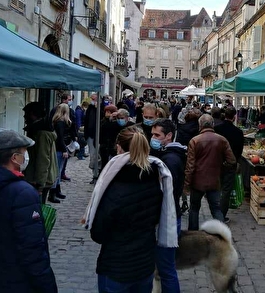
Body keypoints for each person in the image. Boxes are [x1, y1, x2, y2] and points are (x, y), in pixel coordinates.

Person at [83, 126, 177, 293]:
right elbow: (156, 219)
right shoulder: (156, 181)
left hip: (116, 267)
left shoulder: (114, 186)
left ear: (119, 147)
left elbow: (98, 233)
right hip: (145, 264)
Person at [0, 130, 58, 292]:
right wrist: (47, 286)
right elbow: (32, 249)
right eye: (24, 152)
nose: (26, 156)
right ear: (15, 158)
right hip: (15, 279)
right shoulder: (23, 193)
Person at [151, 119, 187, 293]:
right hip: (168, 216)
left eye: (157, 135)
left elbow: (167, 193)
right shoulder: (168, 155)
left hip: (168, 218)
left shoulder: (171, 160)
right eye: (152, 134)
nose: (153, 138)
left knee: (166, 269)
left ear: (169, 136)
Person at [184, 114, 236, 230]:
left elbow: (190, 166)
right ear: (213, 124)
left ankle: (193, 234)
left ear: (200, 125)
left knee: (194, 208)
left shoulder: (194, 141)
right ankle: (222, 235)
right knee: (216, 208)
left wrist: (187, 185)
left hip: (197, 182)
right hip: (214, 180)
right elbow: (232, 161)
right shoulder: (222, 139)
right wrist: (222, 167)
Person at [23, 102, 59, 204]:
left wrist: (40, 184)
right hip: (40, 177)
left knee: (37, 210)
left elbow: (43, 159)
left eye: (26, 114)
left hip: (39, 179)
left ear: (33, 114)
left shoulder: (42, 133)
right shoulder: (41, 129)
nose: (24, 116)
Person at [214, 107, 244, 223]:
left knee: (216, 189)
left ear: (224, 115)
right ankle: (221, 215)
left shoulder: (217, 129)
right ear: (234, 116)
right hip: (230, 165)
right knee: (226, 190)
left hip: (217, 163)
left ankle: (215, 213)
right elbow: (240, 150)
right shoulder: (238, 132)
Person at [49, 92, 77, 181]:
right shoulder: (59, 120)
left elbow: (73, 125)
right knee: (58, 165)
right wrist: (64, 149)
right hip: (61, 143)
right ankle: (55, 187)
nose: (70, 101)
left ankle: (61, 176)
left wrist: (73, 136)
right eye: (69, 100)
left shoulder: (68, 113)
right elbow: (60, 136)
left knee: (61, 164)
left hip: (65, 141)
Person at [49, 103, 73, 203]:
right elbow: (60, 138)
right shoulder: (60, 122)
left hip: (59, 148)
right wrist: (64, 149)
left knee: (58, 170)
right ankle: (52, 193)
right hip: (59, 149)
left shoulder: (58, 121)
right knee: (57, 171)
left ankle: (57, 190)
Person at [85, 92, 99, 184]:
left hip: (97, 135)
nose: (93, 101)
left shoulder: (100, 109)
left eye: (94, 99)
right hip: (90, 135)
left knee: (97, 156)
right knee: (92, 155)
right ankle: (94, 175)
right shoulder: (90, 108)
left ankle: (97, 175)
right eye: (92, 99)